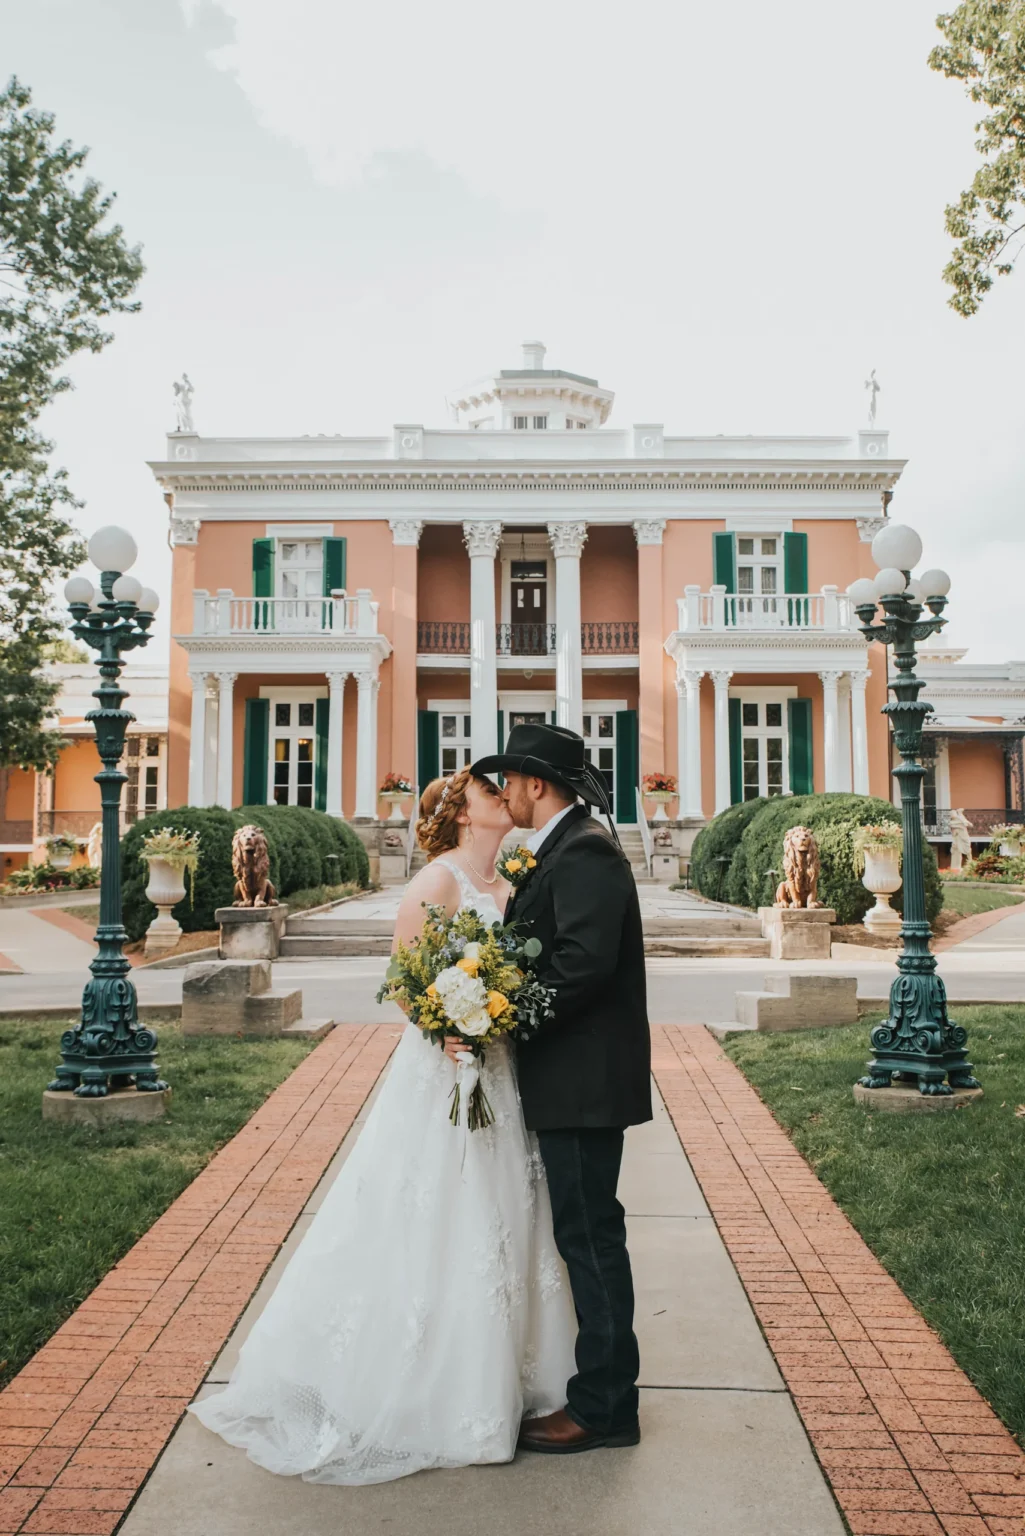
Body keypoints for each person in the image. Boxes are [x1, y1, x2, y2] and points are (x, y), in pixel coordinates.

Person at [188, 767, 576, 1484]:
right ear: (463, 814)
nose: (504, 798)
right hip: (444, 1070)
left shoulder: (510, 885)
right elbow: (403, 976)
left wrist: (491, 1017)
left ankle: (502, 1379)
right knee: (434, 1206)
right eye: (490, 793)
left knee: (505, 1209)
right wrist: (445, 1026)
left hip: (502, 1070)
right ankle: (419, 1384)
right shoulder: (438, 881)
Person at [471, 721, 652, 1454]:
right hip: (569, 1078)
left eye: (507, 781)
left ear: (535, 784)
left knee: (590, 1238)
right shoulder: (560, 851)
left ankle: (606, 1408)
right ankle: (599, 1394)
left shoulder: (584, 853)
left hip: (582, 1082)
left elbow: (581, 965)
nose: (501, 793)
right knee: (583, 1234)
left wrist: (498, 1018)